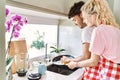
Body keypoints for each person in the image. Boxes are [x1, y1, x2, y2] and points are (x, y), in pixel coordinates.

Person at [63, 0, 120, 79]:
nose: (84, 21)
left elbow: (93, 61)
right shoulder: (115, 28)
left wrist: (75, 64)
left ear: (93, 15)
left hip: (110, 72)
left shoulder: (98, 31)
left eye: (85, 18)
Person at [61, 1, 96, 66]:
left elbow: (86, 57)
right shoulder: (95, 27)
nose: (75, 23)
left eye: (75, 20)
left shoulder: (87, 30)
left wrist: (70, 60)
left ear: (81, 14)